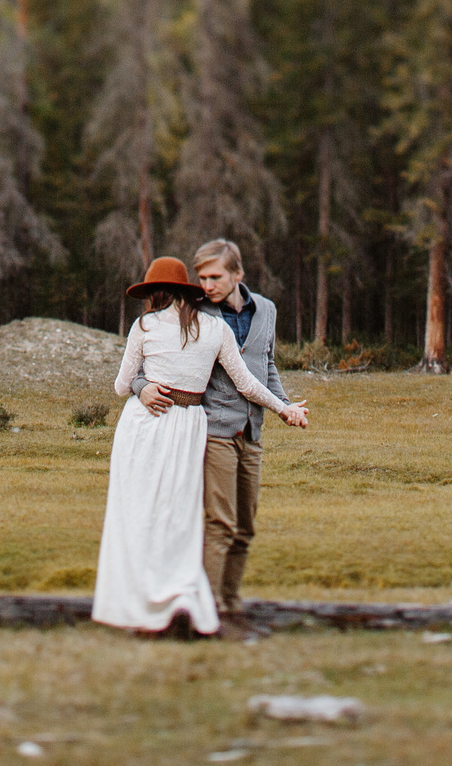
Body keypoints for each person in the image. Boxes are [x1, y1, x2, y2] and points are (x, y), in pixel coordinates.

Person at [92, 256, 306, 637]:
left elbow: (120, 385)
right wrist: (283, 408)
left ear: (154, 294)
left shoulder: (144, 326)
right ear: (189, 290)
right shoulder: (215, 328)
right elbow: (248, 384)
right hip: (190, 426)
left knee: (140, 515)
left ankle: (143, 603)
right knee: (181, 520)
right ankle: (179, 601)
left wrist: (142, 387)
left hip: (145, 426)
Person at [127, 239, 290, 613]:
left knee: (245, 526)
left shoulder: (265, 310)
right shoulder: (193, 311)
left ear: (238, 275)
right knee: (220, 521)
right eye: (202, 277)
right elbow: (145, 363)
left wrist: (285, 407)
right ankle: (207, 606)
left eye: (215, 277)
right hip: (214, 429)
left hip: (252, 430)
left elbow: (267, 367)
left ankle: (231, 603)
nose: (207, 285)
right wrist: (142, 386)